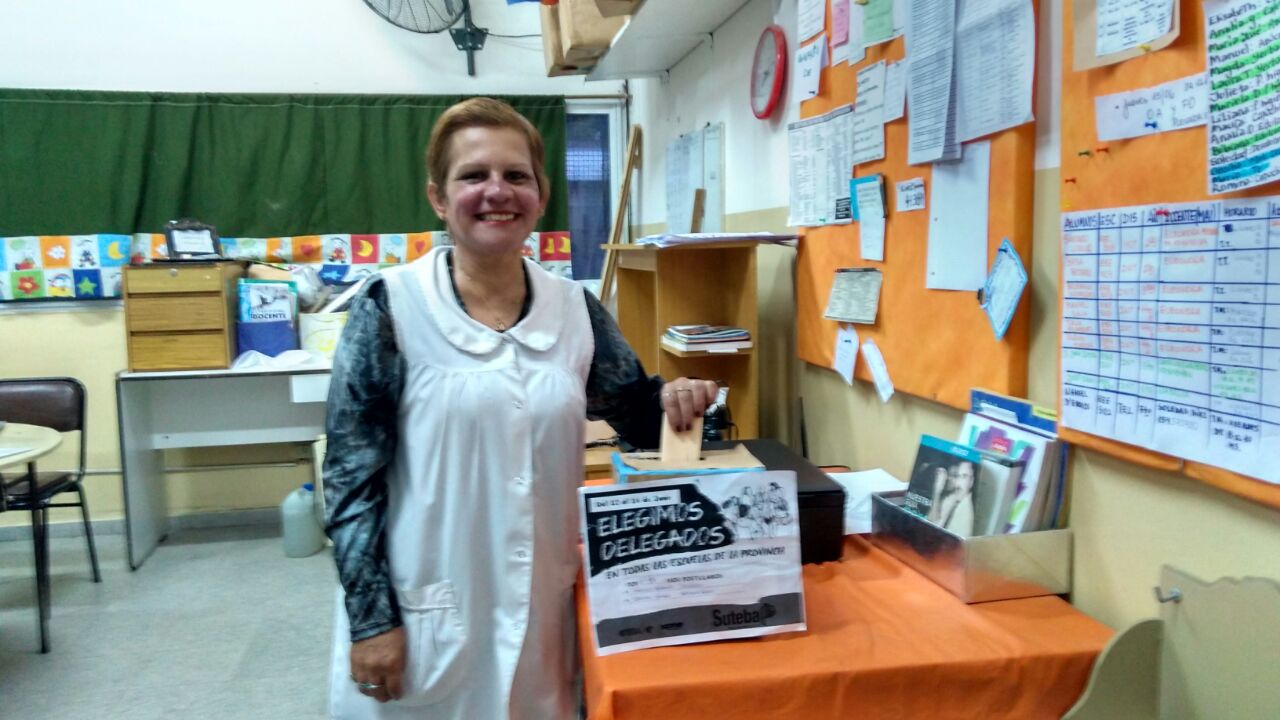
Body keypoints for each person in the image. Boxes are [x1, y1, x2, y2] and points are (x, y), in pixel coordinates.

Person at [322, 97, 717, 719]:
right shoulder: (390, 306)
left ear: (541, 194)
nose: (496, 192)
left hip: (541, 611)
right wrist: (371, 621)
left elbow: (640, 419)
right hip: (426, 613)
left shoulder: (575, 308)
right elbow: (351, 480)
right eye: (473, 175)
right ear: (438, 197)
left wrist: (680, 399)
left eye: (515, 175)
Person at [927, 461, 976, 536]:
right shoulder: (951, 497)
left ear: (972, 481)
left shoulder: (966, 511)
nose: (957, 483)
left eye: (964, 476)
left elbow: (933, 527)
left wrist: (937, 491)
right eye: (957, 476)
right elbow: (931, 520)